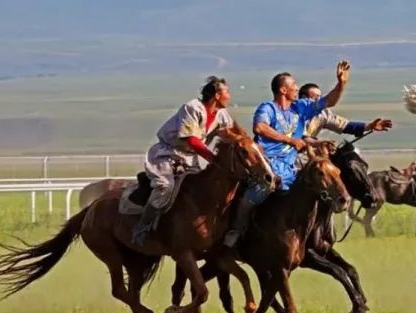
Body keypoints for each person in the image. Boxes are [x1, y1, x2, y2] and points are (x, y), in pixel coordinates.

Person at [223, 61, 351, 248]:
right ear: (283, 90)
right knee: (258, 192)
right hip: (267, 165)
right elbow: (260, 127)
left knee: (317, 188)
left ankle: (312, 235)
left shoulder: (300, 107)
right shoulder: (267, 108)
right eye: (293, 86)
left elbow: (328, 101)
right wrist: (290, 140)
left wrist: (341, 84)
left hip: (291, 167)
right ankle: (238, 229)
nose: (297, 88)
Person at [132, 76, 237, 246]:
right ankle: (143, 226)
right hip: (168, 154)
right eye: (227, 92)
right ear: (217, 95)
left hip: (191, 158)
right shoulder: (192, 108)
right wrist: (212, 158)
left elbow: (231, 134)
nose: (229, 96)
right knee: (165, 187)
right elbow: (192, 140)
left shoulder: (222, 114)